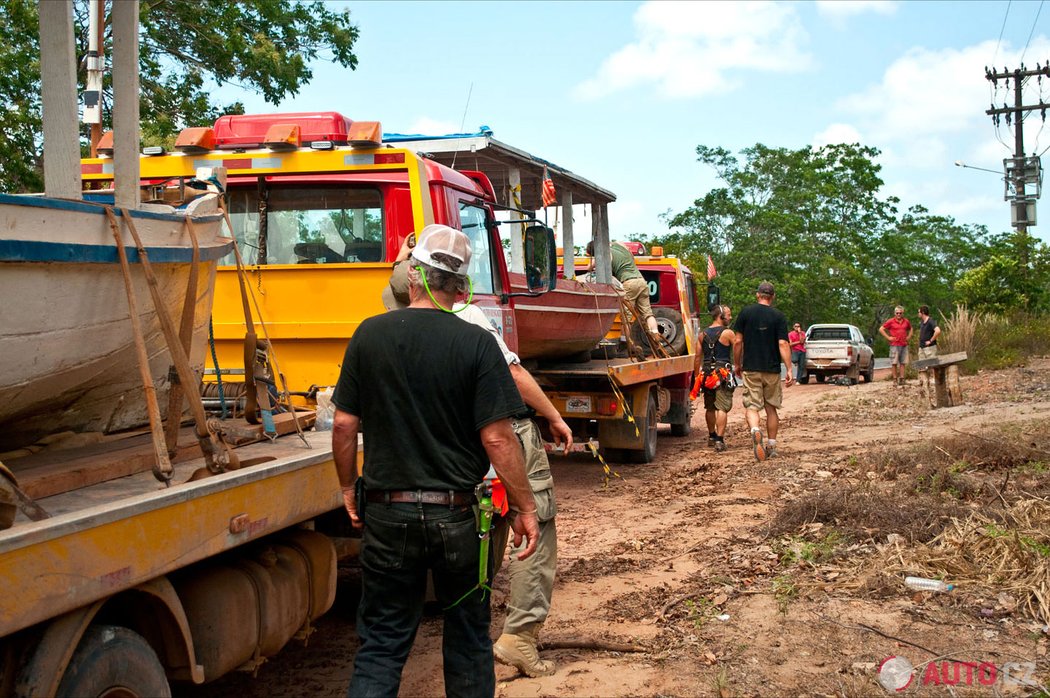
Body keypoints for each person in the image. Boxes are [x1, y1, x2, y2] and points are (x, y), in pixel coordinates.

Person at [332, 224, 540, 698]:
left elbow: (344, 425)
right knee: (468, 637)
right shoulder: (476, 343)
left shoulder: (370, 335)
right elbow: (499, 438)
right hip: (459, 519)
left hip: (387, 512)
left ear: (411, 276)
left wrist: (348, 488)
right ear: (461, 287)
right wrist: (526, 508)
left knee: (382, 643)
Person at [385, 233, 569, 678]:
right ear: (459, 280)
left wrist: (401, 260)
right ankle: (519, 639)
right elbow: (513, 374)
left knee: (482, 534)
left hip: (452, 449)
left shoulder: (392, 319)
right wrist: (553, 415)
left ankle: (472, 629)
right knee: (534, 528)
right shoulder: (466, 315)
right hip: (503, 434)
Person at [732, 282, 794, 461]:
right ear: (772, 297)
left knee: (752, 406)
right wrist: (789, 368)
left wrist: (737, 363)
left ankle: (755, 430)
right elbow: (783, 343)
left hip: (751, 367)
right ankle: (772, 446)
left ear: (758, 295)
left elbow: (737, 342)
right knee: (771, 408)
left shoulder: (746, 313)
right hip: (772, 369)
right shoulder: (778, 316)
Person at [585, 240, 659, 335]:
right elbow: (630, 257)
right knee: (647, 314)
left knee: (626, 316)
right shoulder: (620, 245)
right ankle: (656, 334)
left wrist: (595, 263)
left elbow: (588, 268)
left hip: (629, 283)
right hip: (642, 281)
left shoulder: (604, 254)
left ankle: (625, 341)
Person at [694, 304, 735, 452]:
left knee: (710, 407)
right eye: (728, 314)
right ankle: (719, 440)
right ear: (721, 316)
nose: (730, 317)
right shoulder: (728, 333)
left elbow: (697, 357)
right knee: (722, 407)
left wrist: (695, 377)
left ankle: (711, 436)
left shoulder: (702, 334)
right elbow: (737, 348)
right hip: (722, 373)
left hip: (706, 374)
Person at [879, 305, 913, 387]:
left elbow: (911, 328)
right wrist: (888, 337)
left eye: (900, 313)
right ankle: (895, 380)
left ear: (903, 313)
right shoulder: (891, 321)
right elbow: (881, 329)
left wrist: (908, 337)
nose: (899, 314)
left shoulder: (906, 321)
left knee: (903, 362)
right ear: (895, 313)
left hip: (904, 344)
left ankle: (902, 379)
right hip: (894, 345)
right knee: (894, 363)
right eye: (897, 313)